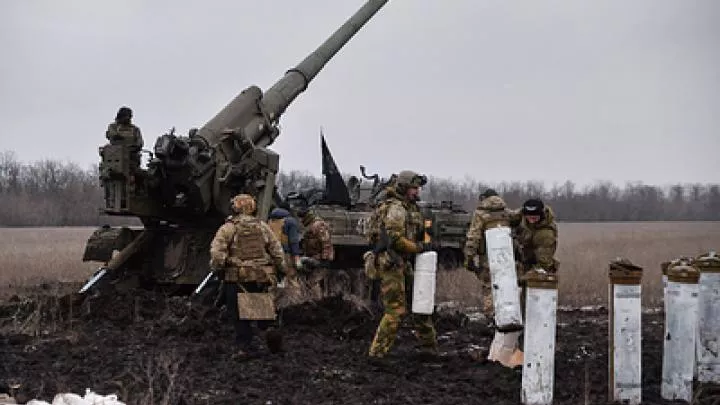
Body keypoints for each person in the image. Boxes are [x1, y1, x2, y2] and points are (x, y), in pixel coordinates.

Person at [367, 170, 437, 359]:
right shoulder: (396, 209)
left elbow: (423, 231)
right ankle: (377, 354)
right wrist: (419, 247)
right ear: (405, 188)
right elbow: (395, 239)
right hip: (391, 263)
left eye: (418, 188)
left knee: (420, 303)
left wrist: (428, 237)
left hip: (403, 263)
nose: (417, 191)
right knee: (395, 310)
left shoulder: (412, 208)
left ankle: (429, 346)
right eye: (414, 188)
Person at [209, 193, 287, 358]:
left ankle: (244, 348)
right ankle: (273, 340)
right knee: (263, 313)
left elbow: (217, 253)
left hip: (237, 278)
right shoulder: (262, 226)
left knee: (238, 316)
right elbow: (277, 250)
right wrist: (281, 269)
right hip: (260, 277)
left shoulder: (229, 228)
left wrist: (218, 269)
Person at [462, 189, 522, 318]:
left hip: (488, 257)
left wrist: (469, 258)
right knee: (507, 285)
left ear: (483, 198)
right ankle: (509, 315)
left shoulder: (480, 214)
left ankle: (491, 316)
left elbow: (474, 237)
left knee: (489, 286)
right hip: (507, 256)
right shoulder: (506, 213)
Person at [297, 208, 337, 298]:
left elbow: (326, 242)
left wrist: (324, 258)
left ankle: (317, 301)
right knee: (310, 282)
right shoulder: (309, 225)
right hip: (314, 257)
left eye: (300, 218)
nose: (299, 220)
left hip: (320, 259)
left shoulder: (318, 225)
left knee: (314, 282)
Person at [515, 198, 559, 274]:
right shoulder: (524, 220)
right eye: (529, 217)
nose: (531, 220)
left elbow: (544, 263)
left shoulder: (545, 234)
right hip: (524, 262)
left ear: (541, 215)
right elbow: (512, 216)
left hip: (538, 269)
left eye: (535, 217)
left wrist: (526, 276)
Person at [267, 204, 303, 283]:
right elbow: (293, 241)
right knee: (290, 279)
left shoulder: (270, 220)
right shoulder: (290, 221)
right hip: (286, 255)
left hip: (273, 254)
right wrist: (297, 258)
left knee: (276, 280)